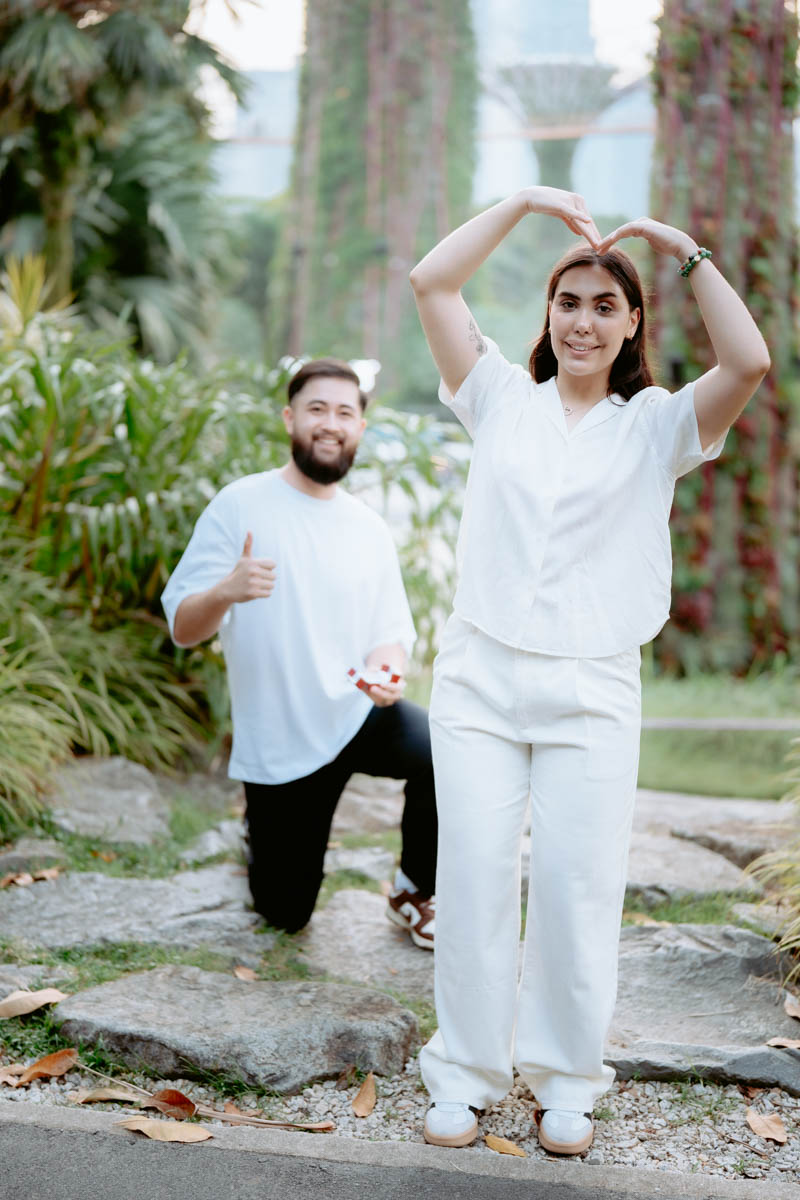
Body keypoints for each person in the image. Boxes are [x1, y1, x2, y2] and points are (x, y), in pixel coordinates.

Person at [409, 187, 770, 1153]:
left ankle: (567, 1080)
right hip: (480, 679)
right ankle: (465, 1074)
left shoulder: (658, 425)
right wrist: (524, 203)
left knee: (578, 886)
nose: (582, 321)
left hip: (594, 686)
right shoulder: (496, 395)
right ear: (548, 314)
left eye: (605, 306)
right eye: (568, 303)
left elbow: (749, 361)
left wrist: (680, 246)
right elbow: (431, 281)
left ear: (632, 324)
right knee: (474, 878)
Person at [161, 358, 438, 949]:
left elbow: (389, 633)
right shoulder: (241, 505)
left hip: (355, 714)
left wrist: (386, 674)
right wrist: (226, 591)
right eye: (317, 409)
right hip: (281, 739)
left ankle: (416, 890)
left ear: (361, 427)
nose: (330, 423)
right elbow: (184, 629)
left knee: (449, 747)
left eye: (344, 412)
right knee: (285, 914)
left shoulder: (367, 527)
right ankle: (258, 830)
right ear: (290, 419)